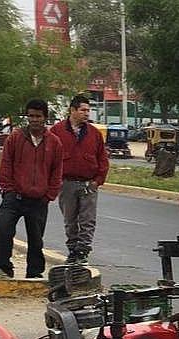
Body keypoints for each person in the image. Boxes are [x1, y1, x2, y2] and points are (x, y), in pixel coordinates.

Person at [0, 99, 63, 279]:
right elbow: (6, 164)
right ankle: (3, 267)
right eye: (31, 116)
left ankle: (34, 272)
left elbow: (57, 171)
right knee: (4, 229)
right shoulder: (15, 137)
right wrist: (7, 190)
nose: (34, 120)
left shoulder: (54, 143)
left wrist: (49, 195)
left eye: (38, 116)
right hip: (13, 197)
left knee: (36, 238)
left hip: (39, 199)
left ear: (45, 118)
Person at [50, 94, 109, 265]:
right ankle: (73, 250)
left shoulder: (94, 134)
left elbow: (102, 159)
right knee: (70, 220)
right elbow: (50, 159)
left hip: (88, 184)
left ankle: (83, 252)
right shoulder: (57, 132)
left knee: (88, 220)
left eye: (88, 110)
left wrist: (97, 181)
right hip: (66, 184)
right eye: (83, 110)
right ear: (73, 110)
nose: (87, 114)